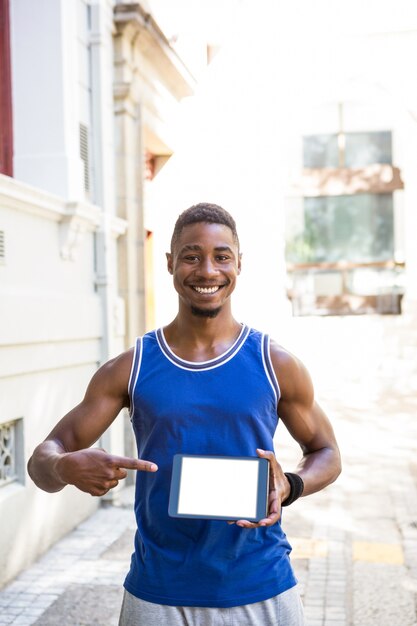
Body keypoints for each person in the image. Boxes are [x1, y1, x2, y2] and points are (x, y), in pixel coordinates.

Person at [28, 202, 341, 626]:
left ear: (239, 265)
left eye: (221, 256)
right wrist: (66, 466)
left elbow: (327, 452)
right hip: (158, 594)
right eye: (192, 256)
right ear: (171, 263)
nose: (207, 270)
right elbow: (41, 462)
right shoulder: (132, 366)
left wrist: (292, 484)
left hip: (261, 584)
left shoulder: (274, 363)